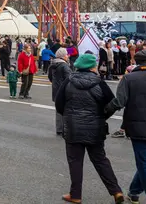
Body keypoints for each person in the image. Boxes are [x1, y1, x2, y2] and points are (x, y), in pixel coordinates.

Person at [55, 53, 124, 204]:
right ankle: (116, 191)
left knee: (75, 161)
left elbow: (59, 104)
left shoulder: (69, 81)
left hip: (73, 127)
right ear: (93, 67)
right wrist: (101, 116)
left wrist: (69, 116)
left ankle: (76, 195)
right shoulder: (100, 82)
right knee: (100, 160)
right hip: (95, 127)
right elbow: (112, 103)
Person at [105, 50, 146, 204]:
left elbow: (119, 102)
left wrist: (103, 115)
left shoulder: (128, 79)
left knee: (145, 166)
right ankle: (134, 191)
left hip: (137, 128)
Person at [48, 48, 71, 135]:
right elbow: (69, 78)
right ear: (62, 56)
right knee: (66, 110)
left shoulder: (52, 64)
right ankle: (65, 128)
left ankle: (59, 128)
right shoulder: (64, 66)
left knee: (58, 110)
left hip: (56, 90)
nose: (67, 56)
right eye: (66, 54)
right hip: (64, 91)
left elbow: (50, 77)